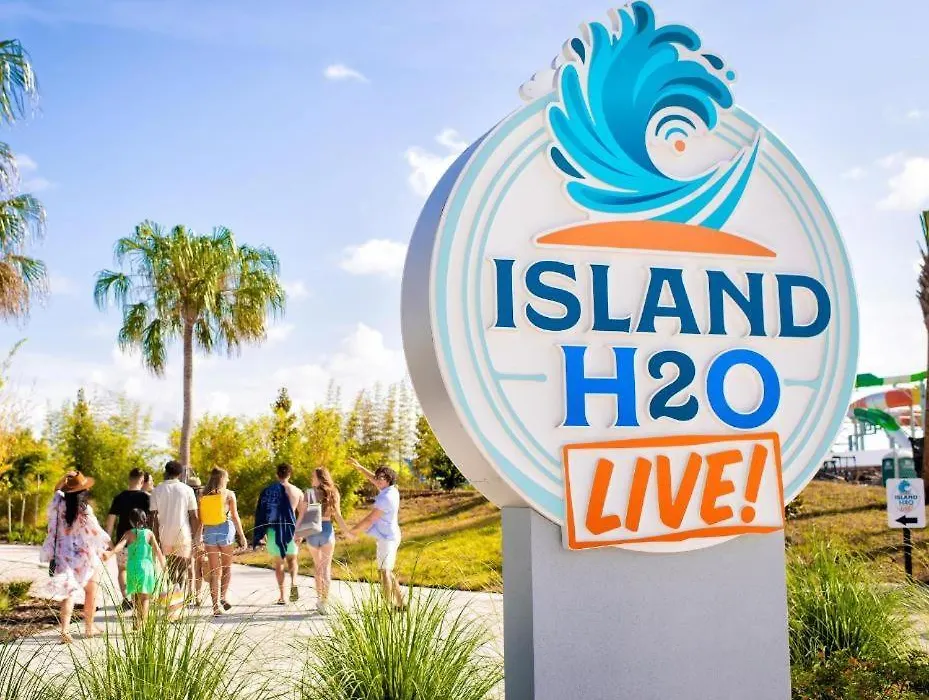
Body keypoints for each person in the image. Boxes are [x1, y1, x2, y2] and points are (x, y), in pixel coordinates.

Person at [39, 471, 111, 644]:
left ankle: (65, 630)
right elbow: (95, 532)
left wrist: (64, 477)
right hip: (84, 556)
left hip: (63, 555)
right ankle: (89, 628)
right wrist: (105, 549)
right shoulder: (85, 509)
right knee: (91, 591)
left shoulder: (58, 504)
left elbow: (56, 489)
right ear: (83, 492)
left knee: (68, 593)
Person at [349, 460, 404, 609]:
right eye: (377, 477)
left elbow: (370, 519)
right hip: (389, 535)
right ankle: (401, 603)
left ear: (388, 479)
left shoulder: (386, 498)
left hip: (388, 538)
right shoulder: (391, 489)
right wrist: (360, 467)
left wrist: (352, 532)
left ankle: (387, 606)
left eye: (381, 478)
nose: (377, 480)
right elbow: (373, 479)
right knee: (386, 571)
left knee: (384, 572)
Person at [303, 467, 355, 615]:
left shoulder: (310, 493)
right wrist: (347, 532)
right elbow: (337, 515)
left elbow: (305, 516)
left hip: (313, 531)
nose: (311, 478)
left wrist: (299, 534)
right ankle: (324, 602)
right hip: (327, 530)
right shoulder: (334, 492)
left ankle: (319, 599)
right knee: (326, 568)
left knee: (318, 567)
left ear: (320, 478)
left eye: (313, 476)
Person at [103, 509, 166, 627]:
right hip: (146, 568)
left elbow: (120, 546)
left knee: (135, 596)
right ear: (145, 519)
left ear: (131, 521)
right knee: (145, 597)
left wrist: (110, 553)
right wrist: (163, 565)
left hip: (133, 568)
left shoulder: (129, 533)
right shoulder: (149, 533)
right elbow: (157, 550)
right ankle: (143, 622)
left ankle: (137, 621)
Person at [199, 467, 248, 617]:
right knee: (226, 568)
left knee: (214, 572)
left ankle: (215, 608)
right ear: (223, 479)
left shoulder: (203, 494)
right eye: (227, 477)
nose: (228, 480)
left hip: (209, 533)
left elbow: (201, 518)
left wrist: (198, 536)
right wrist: (242, 536)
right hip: (225, 531)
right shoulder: (229, 494)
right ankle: (223, 597)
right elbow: (235, 516)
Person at [254, 463, 304, 605]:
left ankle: (282, 596)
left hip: (274, 530)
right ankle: (294, 582)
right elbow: (303, 513)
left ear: (277, 474)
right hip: (291, 529)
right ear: (290, 474)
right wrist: (300, 532)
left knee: (279, 563)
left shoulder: (269, 491)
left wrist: (262, 532)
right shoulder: (297, 491)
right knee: (292, 560)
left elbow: (263, 512)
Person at [149, 460, 199, 596]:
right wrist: (196, 537)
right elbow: (194, 516)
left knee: (170, 566)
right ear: (180, 474)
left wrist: (155, 537)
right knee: (183, 567)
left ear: (166, 472)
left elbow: (153, 517)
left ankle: (174, 592)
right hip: (183, 533)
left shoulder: (157, 490)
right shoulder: (187, 490)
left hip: (165, 533)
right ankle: (180, 592)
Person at [104, 467, 151, 611]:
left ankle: (126, 598)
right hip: (142, 543)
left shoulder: (119, 497)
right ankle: (140, 602)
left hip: (123, 541)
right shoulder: (146, 498)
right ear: (142, 480)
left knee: (123, 570)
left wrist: (109, 542)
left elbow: (110, 521)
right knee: (140, 571)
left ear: (129, 479)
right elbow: (153, 519)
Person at [187, 475, 210, 608]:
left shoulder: (187, 500)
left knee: (192, 567)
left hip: (190, 535)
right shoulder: (202, 500)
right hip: (200, 536)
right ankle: (197, 595)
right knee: (197, 567)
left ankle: (192, 593)